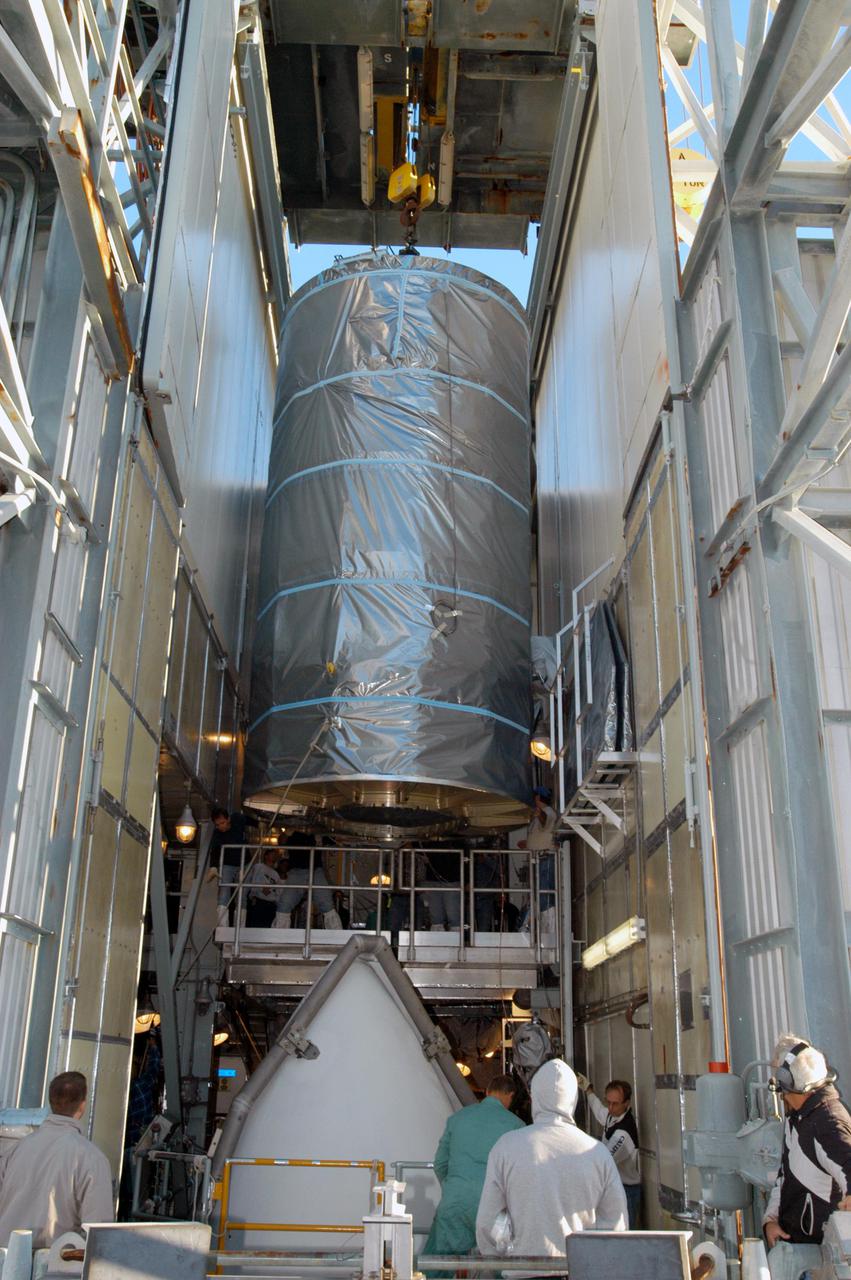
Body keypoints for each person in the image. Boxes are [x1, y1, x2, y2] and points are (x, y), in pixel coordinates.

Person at [476, 1058, 626, 1264]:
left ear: (534, 1096)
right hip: (579, 1268)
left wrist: (506, 1253)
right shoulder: (597, 1153)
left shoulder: (506, 1147)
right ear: (573, 1098)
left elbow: (488, 1221)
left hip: (522, 1269)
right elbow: (616, 1224)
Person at [762, 1034, 851, 1280]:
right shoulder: (798, 1118)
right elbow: (784, 1175)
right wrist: (770, 1221)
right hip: (799, 1251)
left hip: (823, 1262)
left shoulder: (827, 1123)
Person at [0, 1071, 114, 1248]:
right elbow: (99, 1233)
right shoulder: (92, 1159)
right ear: (83, 1105)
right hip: (54, 1267)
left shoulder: (15, 1150)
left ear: (51, 1102)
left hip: (5, 1262)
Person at [422, 1074, 524, 1267]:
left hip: (455, 1201)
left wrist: (454, 1188)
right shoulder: (516, 1126)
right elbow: (518, 1174)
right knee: (502, 1268)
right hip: (494, 1208)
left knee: (439, 1265)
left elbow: (440, 1163)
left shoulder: (457, 1118)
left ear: (487, 1092)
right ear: (510, 1095)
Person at [576, 1074, 641, 1227]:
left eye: (615, 1104)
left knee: (626, 1238)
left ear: (627, 1103)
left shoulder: (624, 1132)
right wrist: (589, 1090)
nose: (610, 1108)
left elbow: (604, 1158)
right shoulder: (614, 1116)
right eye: (608, 1102)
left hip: (627, 1191)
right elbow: (600, 1111)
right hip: (617, 1186)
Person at [278, 831, 342, 929]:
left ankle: (337, 937)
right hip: (296, 870)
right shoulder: (294, 829)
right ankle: (277, 937)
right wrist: (288, 831)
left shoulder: (317, 827)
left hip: (315, 870)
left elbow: (334, 841)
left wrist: (322, 836)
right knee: (285, 904)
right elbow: (281, 842)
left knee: (327, 904)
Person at [517, 787, 558, 930]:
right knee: (541, 895)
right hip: (540, 859)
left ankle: (551, 929)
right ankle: (547, 927)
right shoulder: (544, 813)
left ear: (537, 798)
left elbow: (544, 821)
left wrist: (539, 814)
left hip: (545, 858)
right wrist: (527, 843)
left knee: (545, 895)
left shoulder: (547, 812)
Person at [210, 808, 249, 925]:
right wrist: (213, 867)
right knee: (224, 893)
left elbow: (248, 819)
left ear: (228, 819)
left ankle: (240, 928)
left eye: (222, 823)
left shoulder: (237, 819)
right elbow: (215, 851)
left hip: (244, 863)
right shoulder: (217, 834)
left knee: (241, 895)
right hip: (228, 864)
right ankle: (223, 926)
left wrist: (261, 824)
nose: (220, 826)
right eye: (217, 825)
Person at [246, 848, 284, 927]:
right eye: (272, 854)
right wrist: (258, 891)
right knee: (255, 926)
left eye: (275, 855)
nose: (274, 856)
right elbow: (253, 881)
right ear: (266, 856)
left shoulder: (276, 874)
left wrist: (276, 901)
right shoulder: (258, 867)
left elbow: (279, 891)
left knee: (267, 927)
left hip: (270, 905)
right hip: (258, 902)